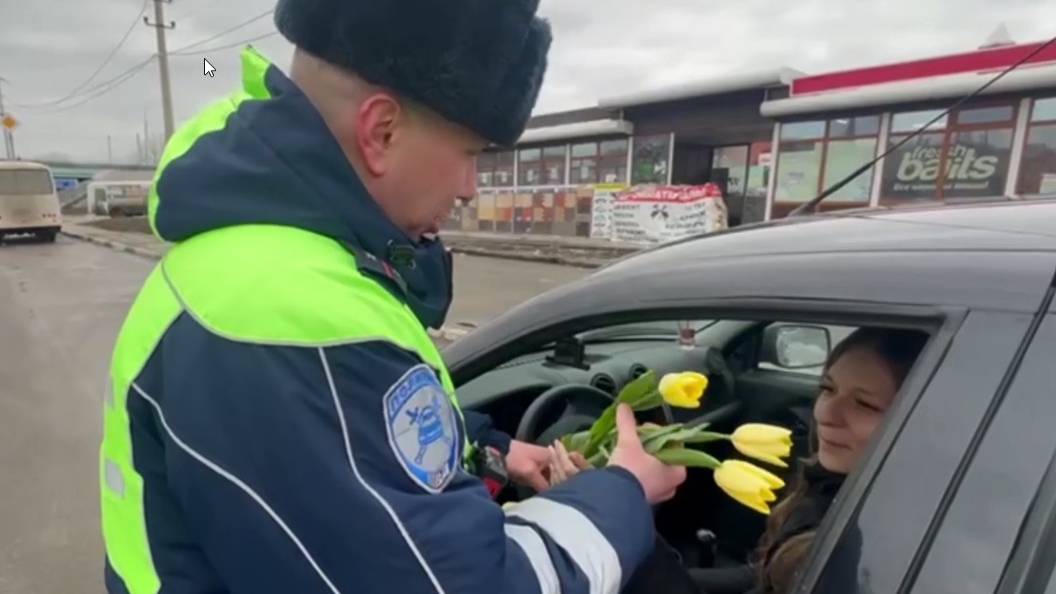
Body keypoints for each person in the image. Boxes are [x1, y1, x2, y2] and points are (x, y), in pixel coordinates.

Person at [97, 1, 687, 593]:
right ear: (380, 131)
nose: (468, 188)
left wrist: (491, 451)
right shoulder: (289, 319)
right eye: (469, 154)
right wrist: (622, 492)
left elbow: (353, 444)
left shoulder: (267, 257)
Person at [547, 327, 927, 594]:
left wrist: (614, 521)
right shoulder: (835, 492)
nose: (827, 413)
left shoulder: (868, 552)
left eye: (863, 403)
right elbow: (758, 579)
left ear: (920, 418)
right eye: (828, 388)